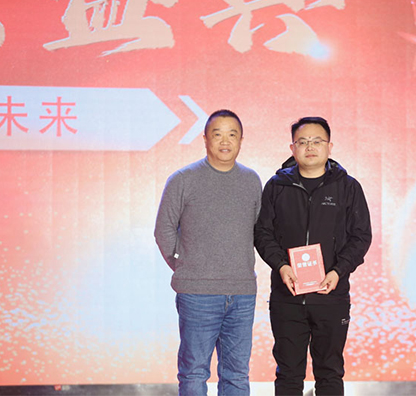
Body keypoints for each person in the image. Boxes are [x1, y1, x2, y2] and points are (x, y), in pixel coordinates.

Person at [254, 116, 372, 395]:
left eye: (317, 141)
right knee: (288, 375)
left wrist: (338, 271)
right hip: (287, 297)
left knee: (330, 373)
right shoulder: (277, 186)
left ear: (330, 146)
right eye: (303, 141)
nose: (310, 147)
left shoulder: (348, 187)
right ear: (292, 148)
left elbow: (361, 237)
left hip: (331, 296)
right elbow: (263, 233)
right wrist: (281, 266)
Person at [154, 109, 262, 396]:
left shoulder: (251, 180)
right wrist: (184, 266)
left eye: (232, 134)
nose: (225, 141)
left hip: (241, 293)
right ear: (205, 139)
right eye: (217, 134)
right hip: (197, 294)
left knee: (237, 374)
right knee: (194, 372)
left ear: (241, 140)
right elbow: (164, 229)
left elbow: (260, 231)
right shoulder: (183, 179)